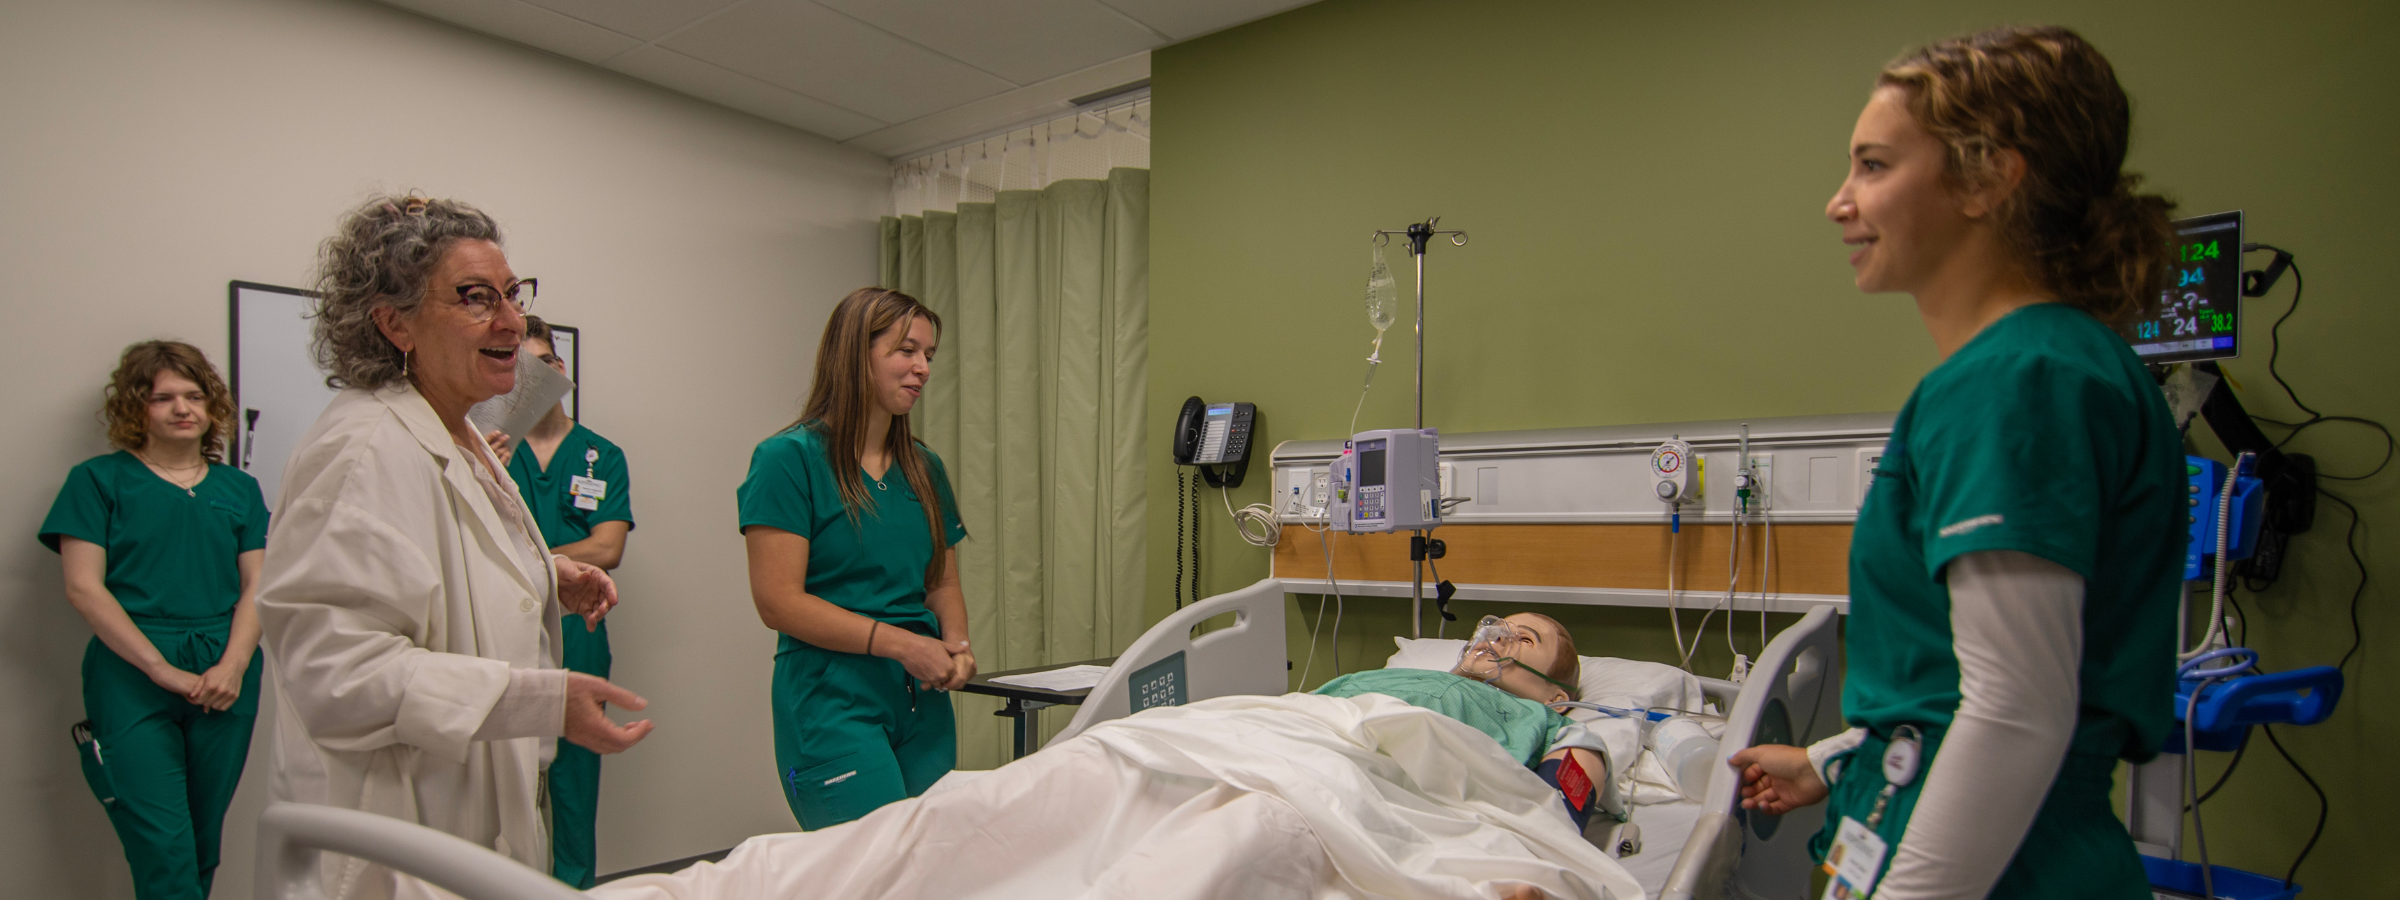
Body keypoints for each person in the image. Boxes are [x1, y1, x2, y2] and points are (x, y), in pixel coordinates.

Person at [1728, 27, 2183, 900]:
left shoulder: (2019, 379)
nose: (1839, 202)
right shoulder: (2051, 364)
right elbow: (1961, 680)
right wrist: (1838, 758)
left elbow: (2017, 710)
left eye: (1873, 165)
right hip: (1969, 828)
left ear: (1987, 179)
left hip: (2003, 863)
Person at [256, 195, 656, 899]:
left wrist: (542, 574)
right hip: (395, 837)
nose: (510, 321)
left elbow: (433, 570)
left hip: (463, 818)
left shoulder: (457, 436)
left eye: (511, 294)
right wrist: (532, 702)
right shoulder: (361, 450)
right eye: (475, 298)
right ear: (394, 322)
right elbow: (334, 671)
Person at [739, 287, 972, 830]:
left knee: (933, 866)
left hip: (920, 706)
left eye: (929, 356)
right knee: (873, 874)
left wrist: (955, 646)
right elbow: (778, 602)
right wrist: (905, 645)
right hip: (832, 700)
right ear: (855, 354)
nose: (922, 369)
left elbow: (940, 583)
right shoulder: (787, 460)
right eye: (906, 350)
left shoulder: (923, 467)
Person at [45, 341, 269, 900]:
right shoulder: (97, 481)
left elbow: (259, 588)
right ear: (136, 408)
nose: (181, 408)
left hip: (227, 668)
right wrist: (160, 669)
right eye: (162, 397)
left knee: (200, 843)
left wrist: (234, 665)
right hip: (131, 672)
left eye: (194, 396)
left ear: (212, 405)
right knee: (163, 847)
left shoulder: (238, 489)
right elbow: (82, 587)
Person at [491, 314, 635, 890]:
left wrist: (528, 555)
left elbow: (608, 546)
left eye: (543, 363)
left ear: (560, 368)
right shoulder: (489, 450)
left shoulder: (601, 453)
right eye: (518, 365)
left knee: (575, 791)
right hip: (501, 631)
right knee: (502, 788)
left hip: (578, 631)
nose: (534, 376)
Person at [1313, 613, 1641, 834]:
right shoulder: (1389, 676)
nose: (1496, 637)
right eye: (1496, 629)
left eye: (1525, 639)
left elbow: (1555, 820)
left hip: (1358, 793)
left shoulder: (1549, 724)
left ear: (1554, 699)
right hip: (1299, 741)